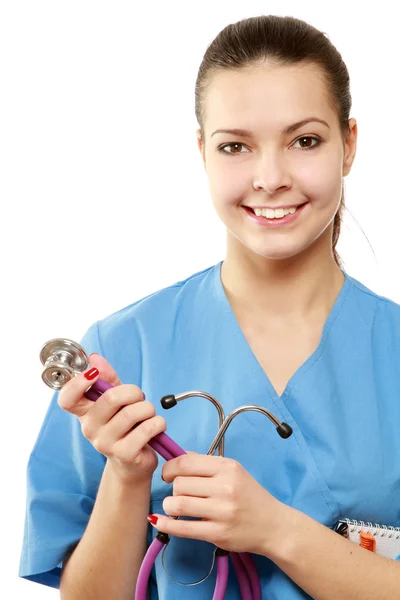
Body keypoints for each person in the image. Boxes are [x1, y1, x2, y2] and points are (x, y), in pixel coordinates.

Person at [18, 13, 400, 600]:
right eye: (235, 146)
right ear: (202, 151)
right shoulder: (123, 350)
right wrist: (127, 475)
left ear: (349, 145)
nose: (270, 178)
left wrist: (276, 531)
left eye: (304, 141)